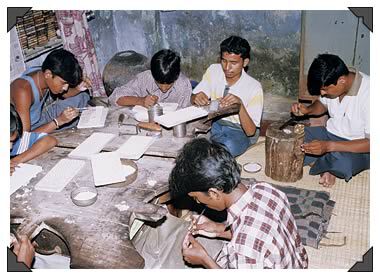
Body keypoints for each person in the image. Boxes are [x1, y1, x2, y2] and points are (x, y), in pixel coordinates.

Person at [169, 138, 308, 269]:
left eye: (196, 198)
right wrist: (218, 229)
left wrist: (205, 260)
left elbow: (251, 241)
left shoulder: (244, 249)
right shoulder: (266, 189)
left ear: (213, 193)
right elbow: (261, 235)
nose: (198, 202)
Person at [291, 54, 370, 187]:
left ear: (342, 80)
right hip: (329, 134)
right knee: (292, 137)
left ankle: (326, 164)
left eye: (325, 89)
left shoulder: (370, 94)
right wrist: (308, 110)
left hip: (358, 147)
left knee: (344, 165)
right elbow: (322, 105)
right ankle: (326, 165)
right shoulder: (334, 80)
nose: (322, 93)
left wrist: (328, 146)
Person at [191, 35, 263, 157]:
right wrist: (196, 97)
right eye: (224, 61)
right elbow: (193, 97)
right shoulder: (214, 70)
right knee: (193, 146)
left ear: (245, 62)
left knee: (223, 150)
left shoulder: (254, 87)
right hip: (216, 124)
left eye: (233, 63)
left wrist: (240, 106)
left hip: (239, 131)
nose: (227, 67)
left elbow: (250, 131)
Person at [10, 49, 91, 134]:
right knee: (68, 121)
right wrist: (58, 121)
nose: (66, 88)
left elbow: (64, 94)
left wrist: (79, 88)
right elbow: (24, 137)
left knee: (82, 96)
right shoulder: (23, 90)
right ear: (48, 74)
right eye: (63, 83)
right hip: (25, 131)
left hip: (40, 118)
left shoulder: (43, 74)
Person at [109, 49, 192, 108]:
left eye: (169, 84)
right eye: (158, 82)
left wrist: (194, 98)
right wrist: (141, 101)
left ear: (176, 77)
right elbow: (115, 98)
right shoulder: (145, 78)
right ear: (152, 74)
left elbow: (187, 112)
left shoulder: (183, 84)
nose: (163, 88)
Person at [10, 104, 57, 175]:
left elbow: (49, 140)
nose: (10, 147)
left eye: (12, 141)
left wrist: (15, 161)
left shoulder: (15, 139)